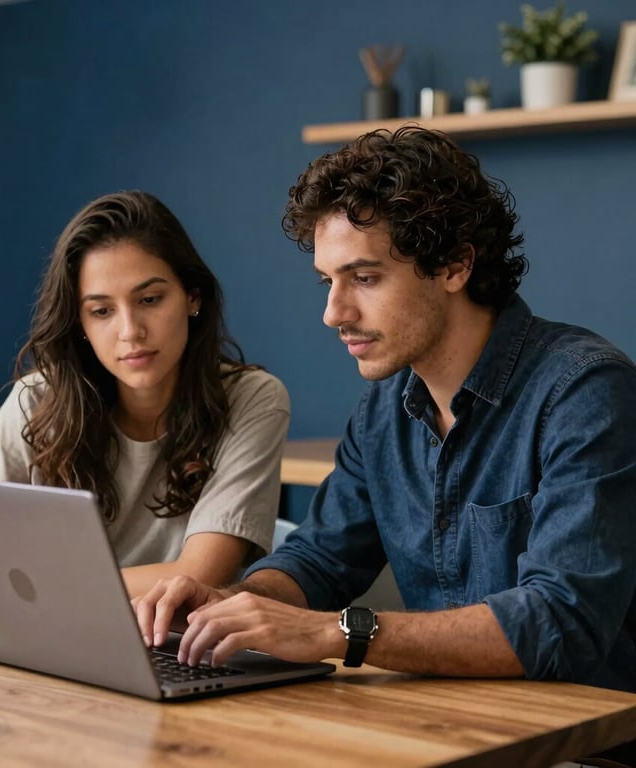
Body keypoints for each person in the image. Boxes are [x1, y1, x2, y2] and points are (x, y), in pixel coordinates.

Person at [135, 127, 636, 696]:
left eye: (365, 278)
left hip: (585, 743)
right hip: (453, 725)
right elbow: (320, 560)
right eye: (328, 281)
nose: (333, 312)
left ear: (454, 265)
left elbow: (562, 624)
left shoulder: (585, 392)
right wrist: (235, 605)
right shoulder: (385, 408)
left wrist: (340, 633)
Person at [0, 190, 290, 597]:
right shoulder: (37, 400)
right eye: (102, 311)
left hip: (177, 647)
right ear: (80, 323)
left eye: (149, 299)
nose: (130, 331)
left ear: (192, 297)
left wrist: (32, 584)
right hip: (47, 641)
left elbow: (197, 578)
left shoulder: (253, 399)